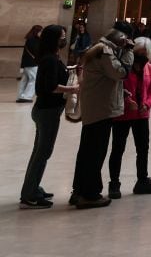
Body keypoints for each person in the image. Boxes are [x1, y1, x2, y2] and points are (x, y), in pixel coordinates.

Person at [71, 25, 134, 208]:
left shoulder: (99, 48)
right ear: (120, 40)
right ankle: (90, 194)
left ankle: (79, 190)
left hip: (96, 107)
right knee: (95, 153)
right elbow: (120, 73)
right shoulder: (105, 52)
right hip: (101, 110)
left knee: (86, 151)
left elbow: (107, 78)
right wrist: (128, 51)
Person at [20, 24, 77, 209]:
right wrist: (73, 89)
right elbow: (49, 87)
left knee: (40, 152)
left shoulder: (51, 58)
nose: (64, 39)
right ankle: (30, 194)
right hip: (48, 111)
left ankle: (33, 187)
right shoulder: (50, 59)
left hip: (45, 111)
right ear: (54, 39)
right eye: (62, 36)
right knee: (43, 153)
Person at [108, 36, 151, 198]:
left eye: (145, 53)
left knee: (143, 148)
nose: (142, 55)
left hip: (142, 113)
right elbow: (116, 87)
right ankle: (114, 183)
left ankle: (142, 181)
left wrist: (147, 103)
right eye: (139, 52)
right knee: (118, 149)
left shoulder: (149, 68)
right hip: (123, 114)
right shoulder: (124, 66)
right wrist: (127, 100)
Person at [17, 25, 42, 103]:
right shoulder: (33, 40)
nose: (41, 33)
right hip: (32, 63)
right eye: (41, 31)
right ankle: (26, 96)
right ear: (37, 31)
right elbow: (36, 51)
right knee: (33, 79)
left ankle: (20, 96)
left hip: (28, 63)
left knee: (25, 80)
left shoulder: (30, 39)